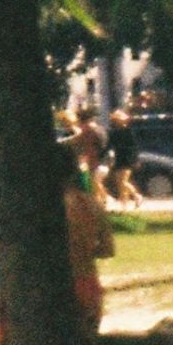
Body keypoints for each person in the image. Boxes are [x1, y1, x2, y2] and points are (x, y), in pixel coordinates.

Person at [62, 134, 116, 331]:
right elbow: (107, 250)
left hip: (51, 284)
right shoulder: (92, 204)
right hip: (87, 280)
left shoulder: (40, 208)